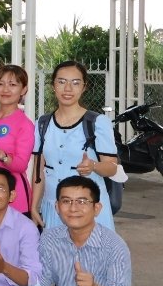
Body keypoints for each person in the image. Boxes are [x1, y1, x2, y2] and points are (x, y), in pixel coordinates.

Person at [32, 61, 119, 231]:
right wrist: (34, 206)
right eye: (62, 82)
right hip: (54, 207)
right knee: (56, 256)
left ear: (84, 87)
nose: (68, 89)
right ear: (53, 86)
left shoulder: (97, 122)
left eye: (75, 83)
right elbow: (38, 172)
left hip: (88, 209)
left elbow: (112, 167)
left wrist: (93, 166)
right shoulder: (42, 124)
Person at [0, 65, 34, 215]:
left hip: (14, 195)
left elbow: (21, 165)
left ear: (23, 90)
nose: (5, 89)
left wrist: (1, 155)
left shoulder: (25, 124)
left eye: (13, 84)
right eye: (0, 84)